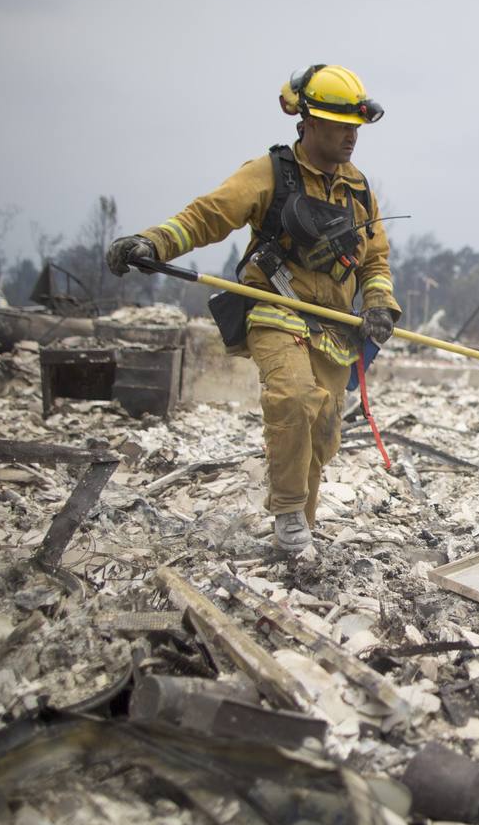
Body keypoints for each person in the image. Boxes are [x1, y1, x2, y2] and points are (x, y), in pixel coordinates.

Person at [106, 64, 401, 553]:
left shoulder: (358, 190)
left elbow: (375, 262)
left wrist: (379, 305)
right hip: (275, 309)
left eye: (355, 126)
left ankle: (298, 533)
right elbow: (208, 215)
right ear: (307, 122)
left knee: (322, 431)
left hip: (333, 326)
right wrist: (152, 242)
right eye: (338, 125)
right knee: (292, 398)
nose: (351, 136)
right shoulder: (270, 173)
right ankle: (287, 513)